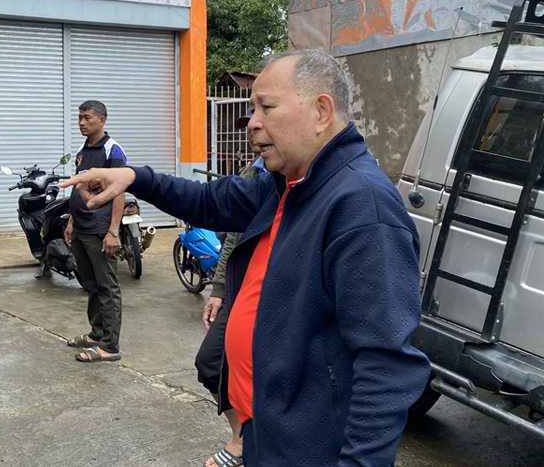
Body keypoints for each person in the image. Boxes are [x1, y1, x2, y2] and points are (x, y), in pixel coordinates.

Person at [61, 50, 430, 466]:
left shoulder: (362, 207)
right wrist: (136, 178)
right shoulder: (288, 182)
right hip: (267, 426)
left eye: (266, 107)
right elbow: (210, 200)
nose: (252, 122)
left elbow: (386, 364)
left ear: (321, 111)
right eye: (252, 108)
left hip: (310, 446)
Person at [196, 114, 266, 467]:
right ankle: (241, 440)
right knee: (211, 364)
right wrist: (219, 288)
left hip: (277, 298)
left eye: (266, 114)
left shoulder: (321, 182)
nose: (255, 129)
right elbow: (233, 240)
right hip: (240, 290)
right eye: (251, 120)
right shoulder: (252, 175)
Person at [63, 100, 128, 363]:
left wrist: (113, 230)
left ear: (102, 120)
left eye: (87, 118)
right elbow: (78, 185)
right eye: (79, 117)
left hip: (100, 229)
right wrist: (71, 222)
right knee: (91, 285)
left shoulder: (112, 150)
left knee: (107, 287)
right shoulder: (82, 150)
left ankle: (110, 346)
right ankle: (96, 333)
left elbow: (119, 190)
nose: (81, 122)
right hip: (81, 227)